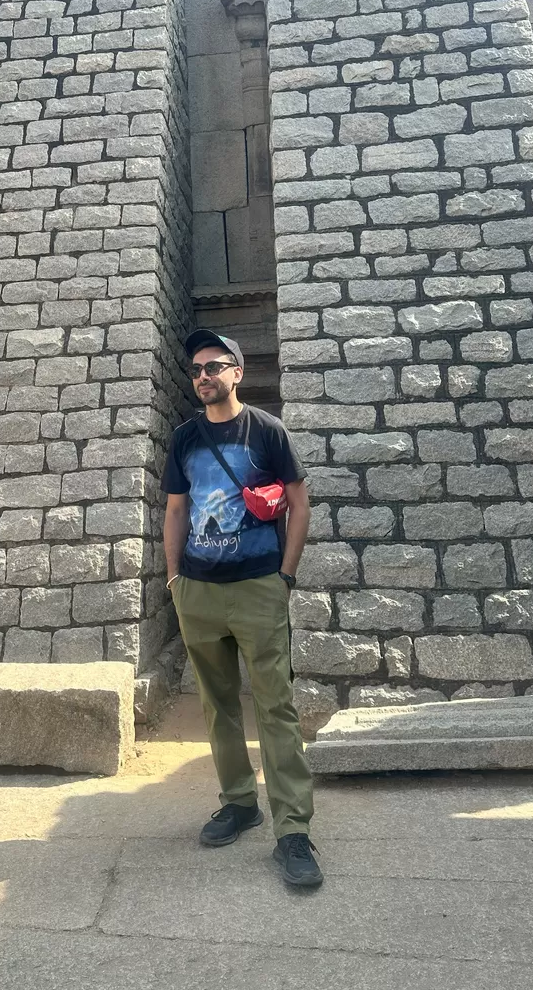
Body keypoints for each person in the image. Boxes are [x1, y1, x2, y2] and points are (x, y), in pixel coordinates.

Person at [161, 328, 322, 888]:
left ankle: (293, 830)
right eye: (196, 370)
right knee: (217, 705)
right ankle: (238, 802)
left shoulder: (268, 432)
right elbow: (176, 512)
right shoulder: (183, 439)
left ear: (237, 372)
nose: (203, 376)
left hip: (258, 584)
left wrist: (285, 575)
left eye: (214, 366)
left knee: (276, 706)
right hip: (199, 590)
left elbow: (299, 505)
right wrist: (175, 578)